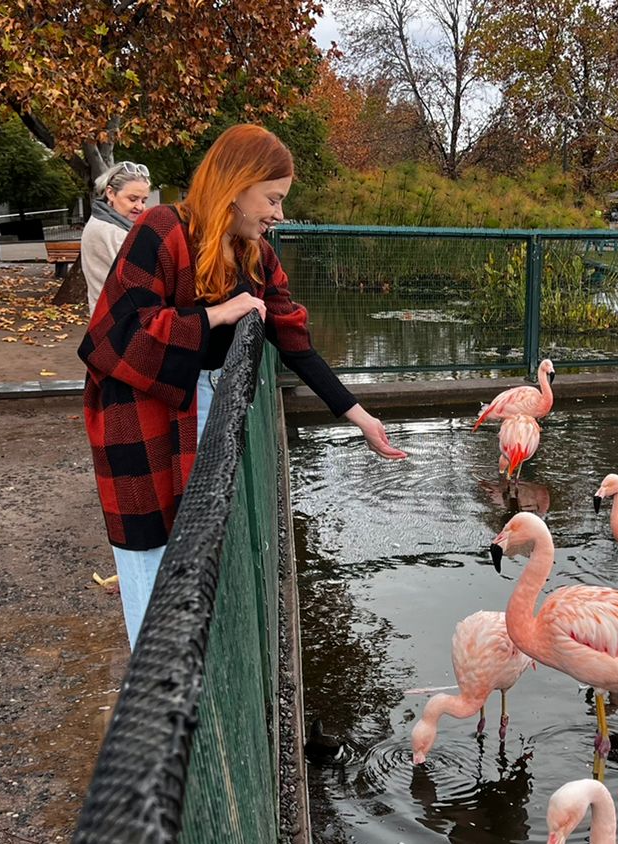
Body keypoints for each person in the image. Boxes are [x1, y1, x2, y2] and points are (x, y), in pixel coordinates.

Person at [81, 124, 407, 648]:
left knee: (200, 548)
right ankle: (161, 697)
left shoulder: (254, 252)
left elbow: (294, 339)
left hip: (208, 409)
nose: (279, 213)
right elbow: (116, 338)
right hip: (141, 418)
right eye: (273, 199)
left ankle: (196, 659)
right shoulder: (162, 230)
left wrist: (361, 418)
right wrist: (215, 317)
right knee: (152, 560)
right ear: (236, 185)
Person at [82, 160, 151, 313]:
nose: (140, 207)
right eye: (132, 199)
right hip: (120, 322)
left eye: (144, 200)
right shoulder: (113, 232)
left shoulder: (100, 221)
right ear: (111, 193)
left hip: (108, 318)